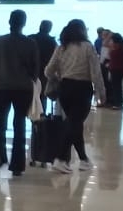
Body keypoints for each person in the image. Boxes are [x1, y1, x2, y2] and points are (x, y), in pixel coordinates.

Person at [44, 19, 105, 173]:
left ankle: (84, 160)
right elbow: (95, 73)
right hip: (82, 89)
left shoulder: (61, 48)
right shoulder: (87, 47)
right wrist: (101, 92)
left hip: (65, 88)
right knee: (74, 123)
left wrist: (59, 77)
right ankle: (60, 158)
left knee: (75, 123)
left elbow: (48, 71)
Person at [0, 9, 40, 177]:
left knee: (0, 124)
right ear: (23, 23)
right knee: (19, 124)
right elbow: (35, 69)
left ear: (9, 22)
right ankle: (17, 165)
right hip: (22, 88)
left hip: (0, 88)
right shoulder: (30, 43)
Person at [102, 33, 123, 109]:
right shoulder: (121, 47)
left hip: (117, 69)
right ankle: (118, 103)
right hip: (118, 69)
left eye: (112, 40)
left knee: (116, 87)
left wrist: (110, 35)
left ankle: (118, 104)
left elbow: (104, 44)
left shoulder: (117, 48)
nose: (111, 41)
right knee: (117, 86)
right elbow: (105, 44)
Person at [32, 19, 57, 86]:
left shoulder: (30, 38)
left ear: (40, 26)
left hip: (30, 72)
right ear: (49, 29)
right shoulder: (52, 42)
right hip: (44, 72)